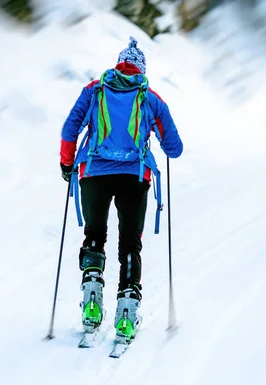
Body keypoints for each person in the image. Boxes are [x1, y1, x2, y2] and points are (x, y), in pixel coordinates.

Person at [59, 37, 183, 341]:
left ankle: (91, 298)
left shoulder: (94, 90)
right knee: (130, 243)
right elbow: (175, 148)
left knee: (94, 234)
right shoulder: (150, 98)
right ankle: (126, 314)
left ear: (118, 65)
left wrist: (67, 163)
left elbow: (69, 128)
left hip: (93, 173)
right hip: (134, 176)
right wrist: (161, 141)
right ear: (141, 70)